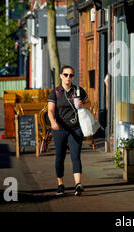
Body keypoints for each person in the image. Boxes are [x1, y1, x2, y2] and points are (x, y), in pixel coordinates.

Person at [47, 65, 91, 196]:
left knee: (75, 156)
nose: (68, 77)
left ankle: (78, 184)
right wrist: (53, 122)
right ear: (61, 76)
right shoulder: (55, 92)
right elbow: (50, 110)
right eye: (65, 75)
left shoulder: (77, 90)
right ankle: (60, 184)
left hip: (76, 128)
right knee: (60, 157)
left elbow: (89, 103)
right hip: (60, 128)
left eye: (71, 75)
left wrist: (83, 104)